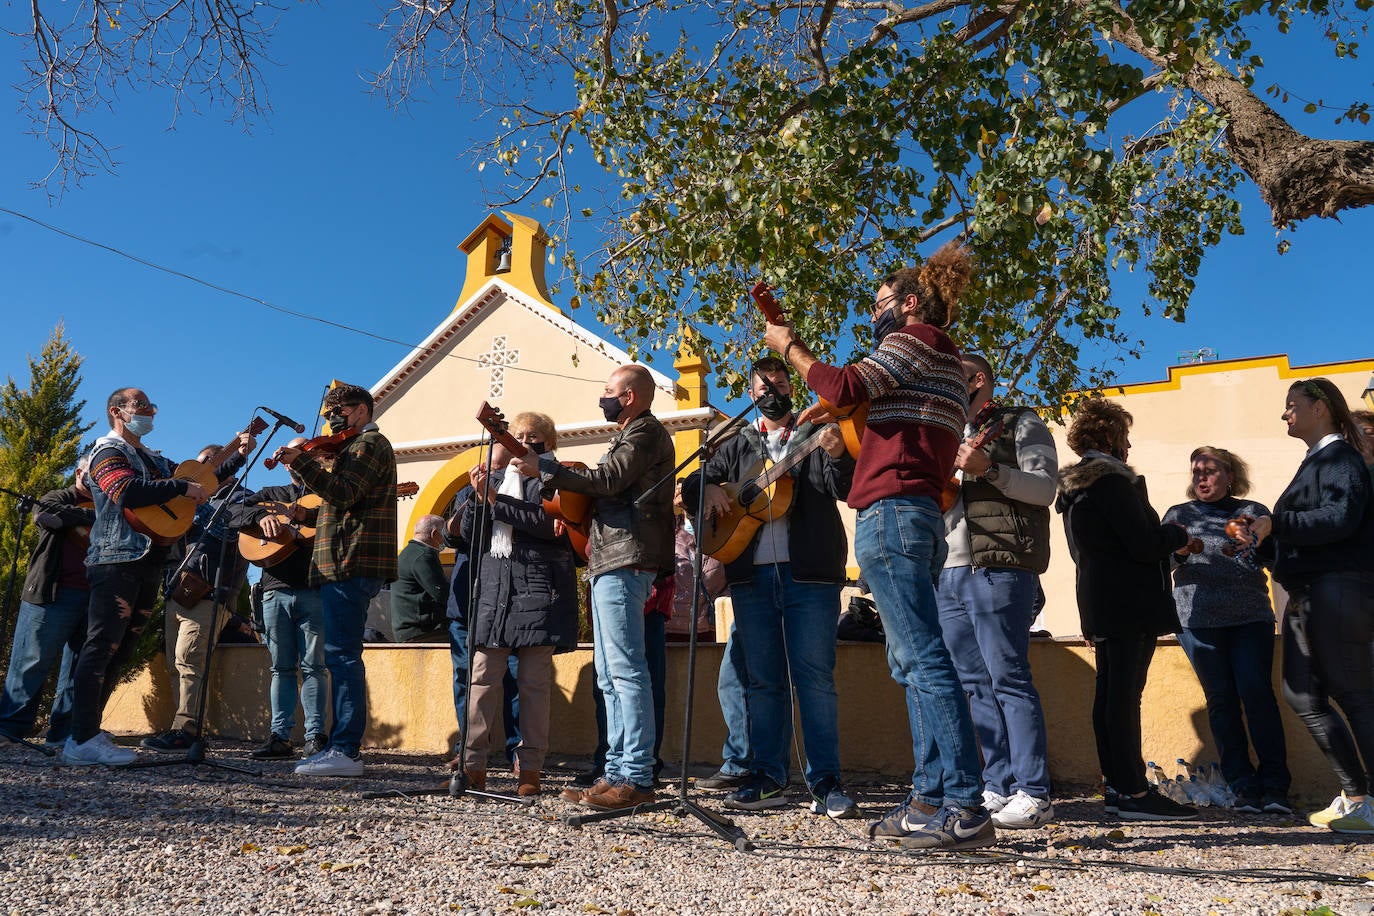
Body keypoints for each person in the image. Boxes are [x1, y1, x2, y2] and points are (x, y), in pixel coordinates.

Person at [764, 243, 993, 851]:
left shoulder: (916, 341)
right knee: (910, 660)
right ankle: (927, 797)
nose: (873, 318)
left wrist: (788, 346)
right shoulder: (941, 360)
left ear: (910, 303)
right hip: (914, 514)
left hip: (892, 515)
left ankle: (966, 805)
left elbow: (840, 383)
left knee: (922, 657)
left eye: (878, 305)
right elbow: (878, 423)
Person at [680, 355, 859, 818]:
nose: (771, 389)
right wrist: (710, 488)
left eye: (779, 381)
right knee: (762, 682)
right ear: (752, 393)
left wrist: (837, 453)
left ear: (791, 388)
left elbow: (843, 488)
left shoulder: (814, 435)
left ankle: (825, 781)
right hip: (751, 576)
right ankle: (767, 778)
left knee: (814, 679)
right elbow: (695, 477)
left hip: (810, 574)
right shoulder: (737, 443)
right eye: (763, 384)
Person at [510, 364, 675, 811]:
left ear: (629, 397)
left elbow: (608, 481)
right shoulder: (628, 434)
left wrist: (545, 468)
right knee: (608, 673)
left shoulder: (643, 432)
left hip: (626, 558)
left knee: (625, 670)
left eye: (607, 391)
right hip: (608, 558)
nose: (601, 398)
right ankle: (617, 771)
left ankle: (637, 776)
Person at [66, 388, 247, 766]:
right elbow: (125, 491)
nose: (150, 411)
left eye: (151, 406)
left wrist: (236, 456)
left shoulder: (152, 458)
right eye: (141, 406)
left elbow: (201, 482)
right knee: (101, 646)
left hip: (150, 560)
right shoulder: (108, 451)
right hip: (115, 559)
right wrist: (182, 486)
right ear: (117, 412)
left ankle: (88, 733)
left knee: (122, 648)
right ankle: (79, 737)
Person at [1232, 379, 1374, 834]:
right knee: (1302, 695)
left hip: (1335, 588)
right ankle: (1356, 797)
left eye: (1292, 406)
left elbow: (1339, 518)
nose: (1285, 414)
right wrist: (1259, 543)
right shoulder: (1316, 461)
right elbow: (1303, 534)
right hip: (1306, 593)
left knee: (1354, 694)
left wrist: (1276, 523)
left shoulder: (1340, 458)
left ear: (1321, 408)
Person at [1054, 398, 1198, 821]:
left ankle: (1118, 787)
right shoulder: (1111, 483)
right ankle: (1135, 792)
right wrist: (1174, 534)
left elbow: (1086, 553)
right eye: (1125, 437)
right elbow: (1142, 543)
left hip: (1101, 600)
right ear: (1113, 438)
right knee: (1123, 698)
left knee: (1110, 696)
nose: (1130, 446)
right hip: (1129, 603)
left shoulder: (1077, 489)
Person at [934, 353, 1058, 829]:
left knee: (1009, 678)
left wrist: (989, 470)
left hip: (1000, 567)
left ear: (978, 380)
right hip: (950, 570)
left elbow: (1045, 489)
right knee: (974, 684)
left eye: (953, 378)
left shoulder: (1021, 424)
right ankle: (998, 784)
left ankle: (1034, 791)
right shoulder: (945, 435)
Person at [272, 383, 398, 777]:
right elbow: (340, 508)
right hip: (341, 562)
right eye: (328, 413)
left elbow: (343, 493)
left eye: (336, 412)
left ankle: (345, 750)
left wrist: (303, 465)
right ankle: (343, 748)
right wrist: (303, 515)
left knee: (342, 658)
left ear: (360, 411)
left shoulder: (368, 445)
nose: (330, 420)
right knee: (340, 657)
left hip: (350, 563)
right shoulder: (349, 449)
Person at [1162, 447, 1290, 814]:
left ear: (1230, 475)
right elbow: (1161, 560)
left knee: (1257, 695)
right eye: (1196, 471)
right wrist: (1182, 551)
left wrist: (1253, 545)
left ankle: (1276, 787)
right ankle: (1243, 785)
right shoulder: (1178, 516)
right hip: (1198, 621)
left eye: (1210, 471)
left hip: (1249, 617)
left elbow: (1272, 558)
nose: (1201, 478)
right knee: (1221, 701)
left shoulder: (1252, 513)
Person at [459, 430, 578, 796]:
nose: (523, 440)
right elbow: (467, 535)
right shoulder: (489, 481)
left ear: (548, 441)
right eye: (518, 433)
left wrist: (494, 499)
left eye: (534, 435)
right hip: (494, 596)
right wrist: (479, 499)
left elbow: (550, 525)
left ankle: (530, 770)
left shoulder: (555, 478)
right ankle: (472, 766)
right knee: (479, 682)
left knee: (534, 687)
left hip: (537, 594)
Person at [142, 445, 251, 752]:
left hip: (210, 594)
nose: (198, 472)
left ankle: (187, 730)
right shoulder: (186, 501)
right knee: (177, 665)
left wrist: (198, 503)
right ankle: (181, 726)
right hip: (177, 590)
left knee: (190, 659)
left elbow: (227, 533)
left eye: (205, 464)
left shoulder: (241, 497)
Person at [230, 446, 329, 760]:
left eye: (307, 456)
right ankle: (280, 737)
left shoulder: (329, 494)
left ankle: (315, 737)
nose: (299, 461)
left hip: (315, 588)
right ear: (286, 465)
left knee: (314, 666)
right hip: (274, 590)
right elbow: (232, 512)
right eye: (294, 456)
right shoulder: (271, 494)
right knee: (280, 667)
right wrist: (262, 516)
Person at [0, 456, 95, 748]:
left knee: (78, 670)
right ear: (80, 472)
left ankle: (62, 733)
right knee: (31, 661)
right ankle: (9, 729)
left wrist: (83, 517)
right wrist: (86, 516)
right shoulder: (57, 497)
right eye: (94, 472)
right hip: (53, 593)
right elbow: (45, 517)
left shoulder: (109, 504)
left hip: (93, 595)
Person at [443, 485, 520, 771]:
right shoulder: (467, 493)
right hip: (466, 601)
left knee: (514, 677)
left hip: (507, 600)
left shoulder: (520, 488)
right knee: (464, 676)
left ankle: (518, 752)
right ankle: (468, 750)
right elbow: (451, 533)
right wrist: (477, 495)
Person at [391, 514, 450, 643]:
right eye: (444, 534)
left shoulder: (408, 553)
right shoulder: (424, 555)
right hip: (420, 631)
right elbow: (442, 594)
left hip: (406, 630)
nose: (445, 539)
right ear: (434, 534)